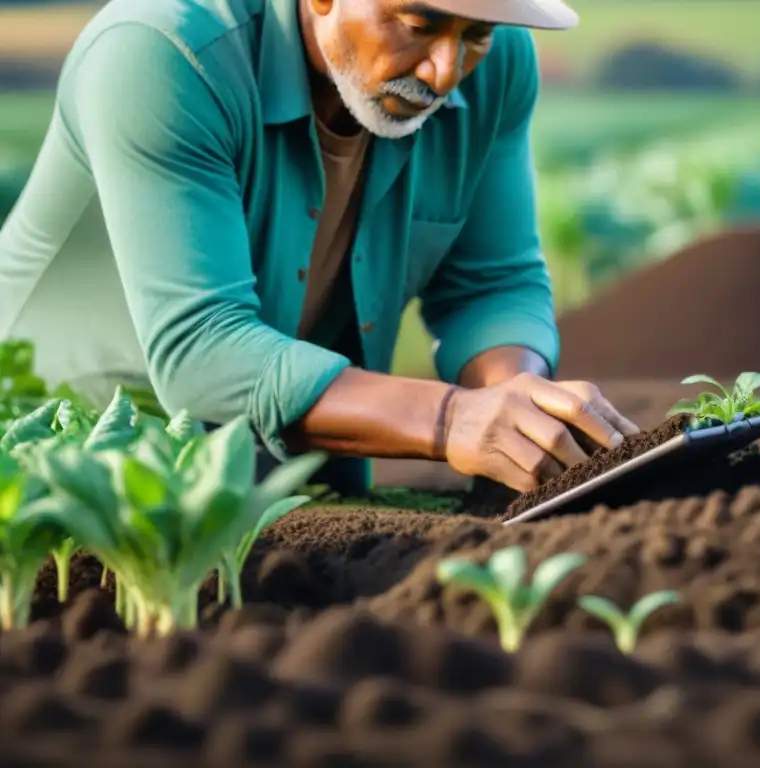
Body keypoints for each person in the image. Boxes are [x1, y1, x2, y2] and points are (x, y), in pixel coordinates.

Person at [0, 0, 640, 495]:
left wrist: (516, 402)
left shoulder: (494, 68)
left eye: (475, 35)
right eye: (419, 23)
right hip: (58, 469)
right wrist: (452, 421)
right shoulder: (164, 52)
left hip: (274, 480)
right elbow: (201, 350)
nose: (446, 71)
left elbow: (490, 281)